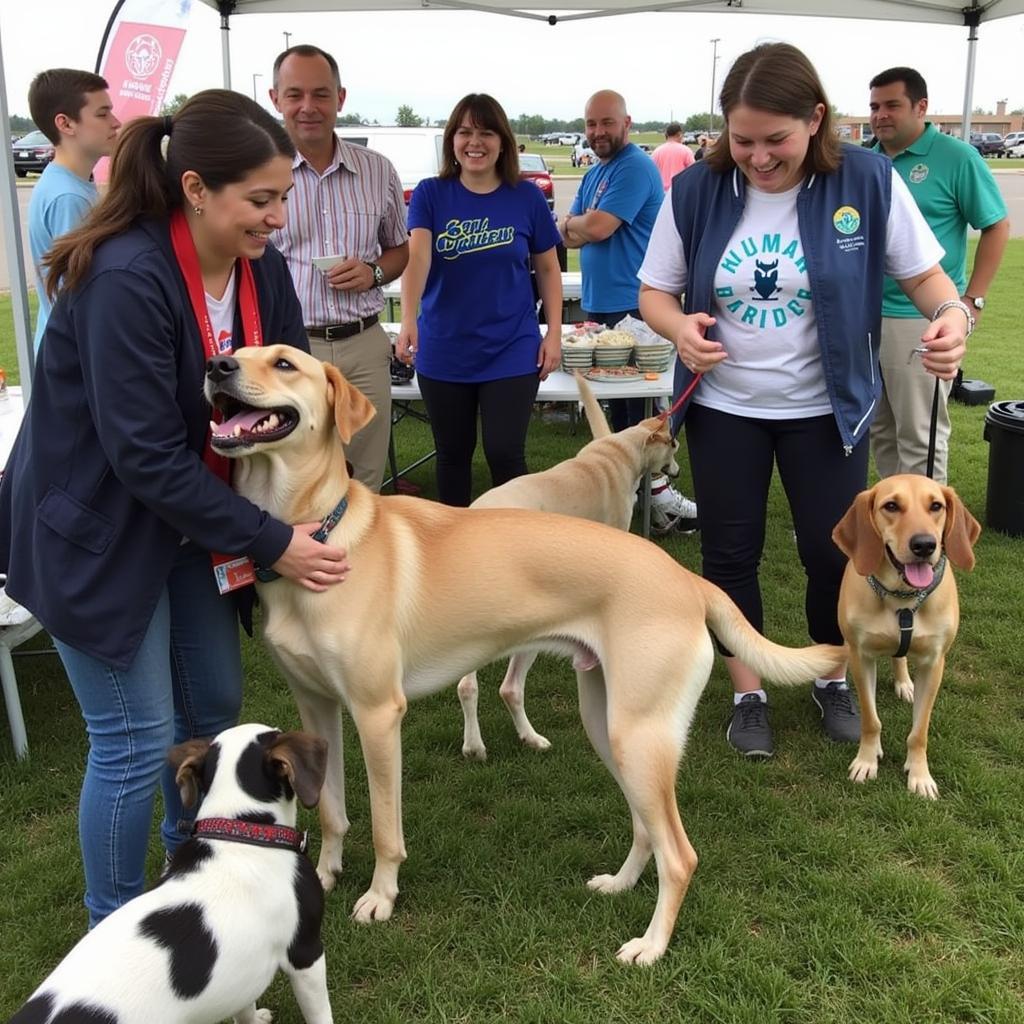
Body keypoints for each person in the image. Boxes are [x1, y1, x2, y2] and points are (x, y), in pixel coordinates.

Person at [0, 90, 349, 926]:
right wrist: (275, 541)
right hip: (99, 533)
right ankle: (116, 931)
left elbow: (284, 390)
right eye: (259, 201)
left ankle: (185, 884)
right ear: (196, 190)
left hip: (197, 525)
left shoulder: (260, 268)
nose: (275, 218)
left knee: (211, 711)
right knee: (134, 739)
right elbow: (142, 455)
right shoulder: (126, 274)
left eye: (282, 199)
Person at [638, 42, 970, 758]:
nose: (758, 157)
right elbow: (655, 291)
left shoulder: (868, 180)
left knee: (839, 556)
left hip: (827, 410)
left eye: (776, 140)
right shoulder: (697, 189)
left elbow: (926, 279)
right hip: (727, 407)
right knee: (730, 554)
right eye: (742, 139)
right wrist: (679, 330)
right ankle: (748, 691)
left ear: (816, 119)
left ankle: (833, 676)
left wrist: (954, 317)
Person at [396, 93, 562, 507]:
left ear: (502, 141)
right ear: (452, 140)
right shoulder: (431, 194)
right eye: (465, 132)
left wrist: (554, 333)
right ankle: (453, 554)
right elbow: (417, 256)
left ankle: (515, 551)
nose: (475, 141)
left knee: (506, 453)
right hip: (445, 347)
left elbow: (547, 269)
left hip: (511, 347)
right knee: (453, 455)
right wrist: (409, 319)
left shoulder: (526, 197)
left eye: (486, 132)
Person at [269, 44, 409, 494]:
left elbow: (399, 251)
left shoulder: (378, 171)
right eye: (294, 95)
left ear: (340, 98)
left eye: (320, 94)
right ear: (275, 99)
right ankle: (300, 564)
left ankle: (362, 564)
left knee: (364, 478)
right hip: (290, 346)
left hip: (364, 344)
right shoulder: (259, 173)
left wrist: (374, 274)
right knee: (293, 474)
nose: (308, 107)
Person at [559, 89, 698, 534]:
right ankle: (626, 498)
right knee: (614, 417)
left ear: (627, 123)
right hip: (601, 304)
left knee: (636, 418)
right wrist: (575, 227)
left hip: (633, 305)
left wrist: (577, 225)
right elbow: (570, 233)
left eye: (606, 123)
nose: (597, 132)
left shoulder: (635, 167)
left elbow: (594, 227)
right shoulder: (597, 171)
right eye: (591, 124)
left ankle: (653, 502)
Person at [868, 66, 1009, 482]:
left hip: (921, 320)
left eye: (892, 105)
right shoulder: (866, 160)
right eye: (874, 106)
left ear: (921, 106)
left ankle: (931, 540)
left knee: (920, 437)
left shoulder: (956, 157)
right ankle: (897, 528)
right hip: (863, 317)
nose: (881, 115)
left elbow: (996, 225)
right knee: (881, 430)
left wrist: (971, 301)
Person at [26, 68, 121, 351]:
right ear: (66, 124)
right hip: (71, 356)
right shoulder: (68, 197)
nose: (115, 122)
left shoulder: (69, 185)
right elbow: (81, 296)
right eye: (102, 114)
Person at [651, 121, 695, 191]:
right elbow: (693, 172)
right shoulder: (686, 150)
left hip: (661, 192)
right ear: (679, 134)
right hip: (679, 191)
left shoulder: (656, 152)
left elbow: (652, 174)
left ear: (667, 135)